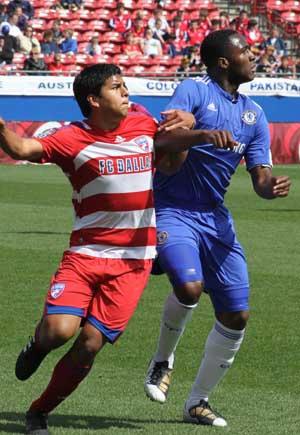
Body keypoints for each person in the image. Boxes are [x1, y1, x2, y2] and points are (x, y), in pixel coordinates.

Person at [0, 63, 200, 435]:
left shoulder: (142, 121)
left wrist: (188, 122)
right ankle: (37, 345)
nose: (126, 92)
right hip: (86, 255)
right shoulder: (70, 138)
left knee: (90, 344)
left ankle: (38, 412)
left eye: (125, 85)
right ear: (93, 99)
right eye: (116, 87)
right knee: (59, 331)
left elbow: (170, 160)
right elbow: (23, 147)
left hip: (133, 263)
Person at [144, 29, 291, 427]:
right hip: (172, 207)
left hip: (214, 216)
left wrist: (269, 188)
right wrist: (204, 133)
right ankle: (162, 360)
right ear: (224, 61)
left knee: (237, 315)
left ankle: (198, 402)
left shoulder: (255, 114)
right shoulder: (193, 90)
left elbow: (260, 176)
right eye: (244, 50)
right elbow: (165, 139)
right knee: (189, 288)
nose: (252, 55)